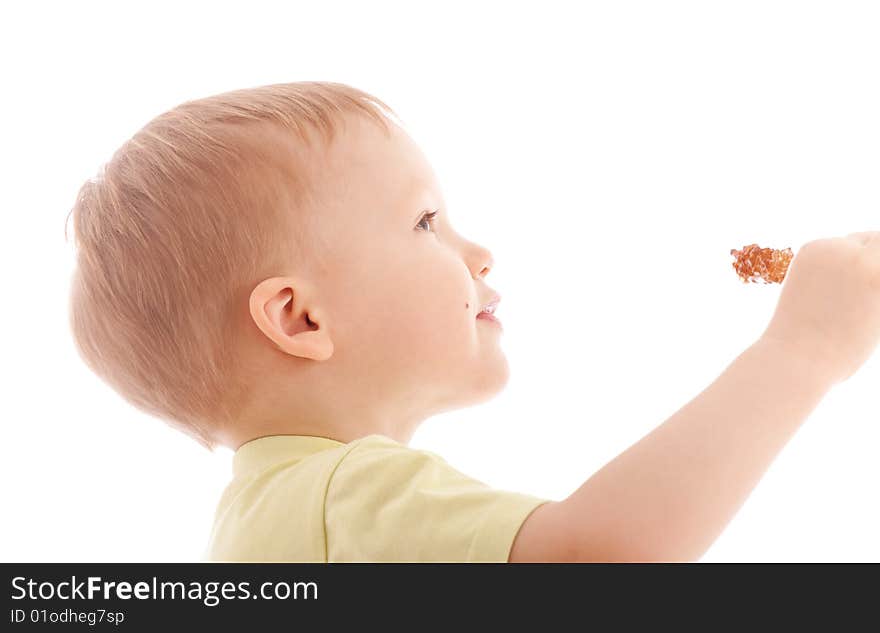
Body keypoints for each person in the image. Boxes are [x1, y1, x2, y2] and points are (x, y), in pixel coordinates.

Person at [65, 81, 880, 561]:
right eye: (426, 223)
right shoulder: (344, 496)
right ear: (300, 316)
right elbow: (606, 555)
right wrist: (801, 350)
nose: (479, 252)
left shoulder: (264, 521)